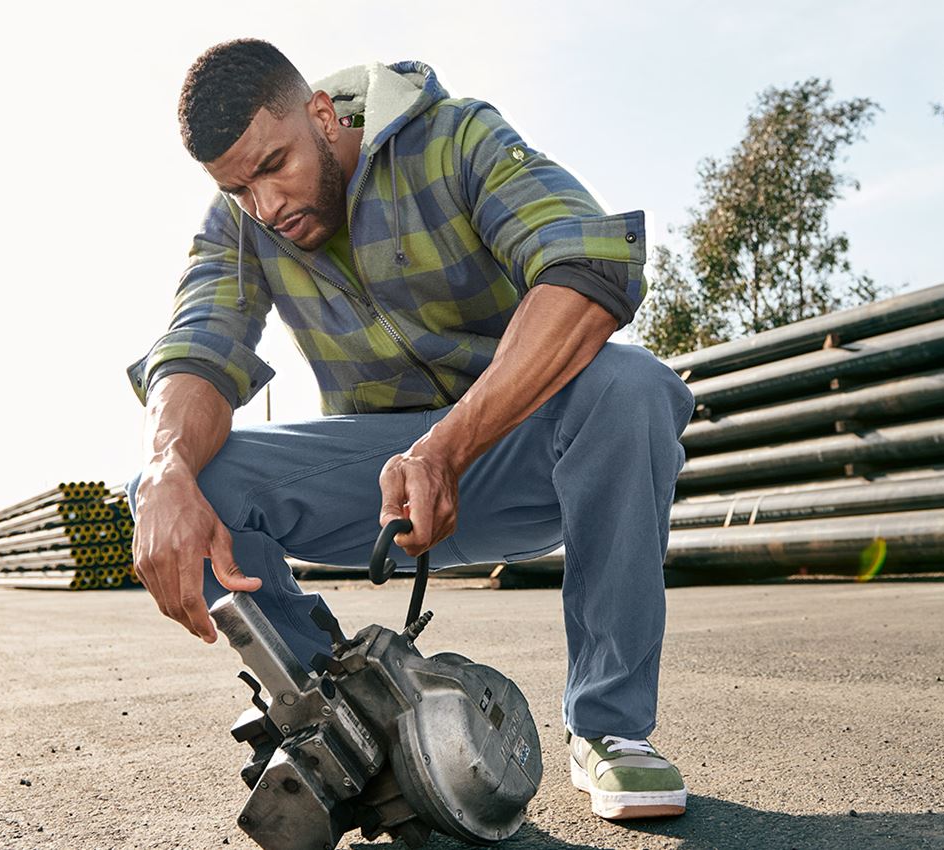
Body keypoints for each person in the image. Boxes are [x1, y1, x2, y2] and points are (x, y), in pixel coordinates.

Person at [126, 38, 695, 821]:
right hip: (381, 493)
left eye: (273, 166)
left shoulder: (455, 137)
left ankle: (611, 732)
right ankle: (345, 722)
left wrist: (449, 445)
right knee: (188, 482)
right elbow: (197, 347)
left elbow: (586, 266)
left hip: (519, 450)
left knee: (635, 386)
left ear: (321, 115)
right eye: (237, 188)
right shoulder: (240, 225)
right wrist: (164, 471)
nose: (266, 207)